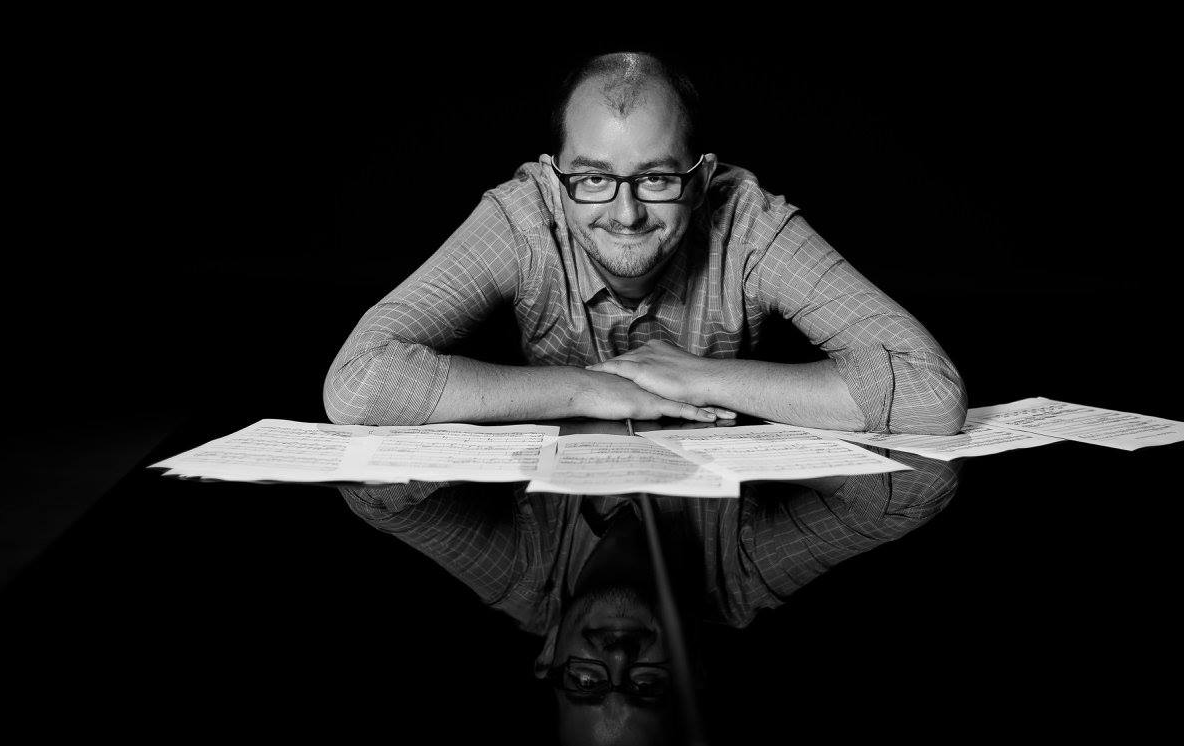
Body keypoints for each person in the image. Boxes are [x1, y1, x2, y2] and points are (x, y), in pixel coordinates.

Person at [323, 51, 966, 434]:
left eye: (656, 178)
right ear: (555, 179)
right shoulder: (522, 218)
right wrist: (585, 389)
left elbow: (932, 394)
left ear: (701, 179)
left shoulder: (749, 223)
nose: (626, 213)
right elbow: (357, 381)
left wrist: (701, 378)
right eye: (593, 179)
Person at [339, 435, 960, 744]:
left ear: (549, 654)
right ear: (690, 668)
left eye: (586, 683)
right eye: (645, 686)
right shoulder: (741, 579)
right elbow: (920, 483)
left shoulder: (521, 579)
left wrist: (561, 434)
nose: (617, 656)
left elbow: (375, 492)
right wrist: (727, 439)